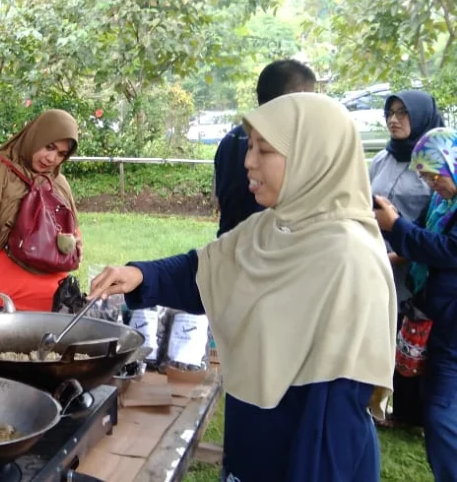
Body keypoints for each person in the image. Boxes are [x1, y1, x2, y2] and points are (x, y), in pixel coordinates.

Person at [91, 93, 396, 481]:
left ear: (313, 157)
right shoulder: (270, 227)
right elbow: (205, 271)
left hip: (308, 450)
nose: (248, 161)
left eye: (264, 149)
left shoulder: (349, 260)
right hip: (254, 434)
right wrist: (141, 275)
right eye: (249, 146)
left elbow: (336, 410)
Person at [375, 127, 457, 480]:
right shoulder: (444, 201)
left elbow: (447, 250)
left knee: (440, 414)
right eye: (424, 176)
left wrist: (397, 225)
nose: (430, 184)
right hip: (440, 319)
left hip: (452, 328)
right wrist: (390, 255)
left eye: (434, 176)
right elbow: (425, 237)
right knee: (437, 408)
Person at [0, 109, 80, 312]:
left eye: (61, 154)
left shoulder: (58, 182)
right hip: (3, 304)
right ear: (35, 136)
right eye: (49, 146)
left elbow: (73, 236)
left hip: (55, 306)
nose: (51, 158)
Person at [368, 90, 443, 427]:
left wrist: (399, 255)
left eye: (403, 113)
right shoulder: (380, 160)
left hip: (414, 268)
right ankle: (371, 402)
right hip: (372, 262)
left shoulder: (437, 164)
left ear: (422, 116)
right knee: (376, 335)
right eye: (390, 112)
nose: (394, 119)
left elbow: (436, 222)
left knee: (409, 338)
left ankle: (410, 413)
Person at [213, 59, 316, 236]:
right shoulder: (290, 142)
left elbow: (217, 199)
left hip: (232, 244)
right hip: (265, 249)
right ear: (297, 96)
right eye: (312, 98)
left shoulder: (230, 139)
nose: (250, 163)